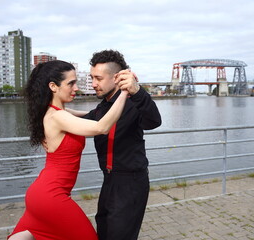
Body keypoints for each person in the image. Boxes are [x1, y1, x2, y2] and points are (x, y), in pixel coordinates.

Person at [8, 60, 129, 240]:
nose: (76, 88)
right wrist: (125, 92)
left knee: (25, 237)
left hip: (41, 194)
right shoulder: (58, 117)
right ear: (53, 86)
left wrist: (104, 106)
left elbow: (90, 116)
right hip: (52, 196)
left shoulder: (54, 111)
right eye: (71, 83)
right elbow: (101, 127)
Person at [83, 50, 162, 240]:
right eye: (92, 78)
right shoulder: (103, 106)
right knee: (103, 230)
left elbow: (154, 121)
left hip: (131, 182)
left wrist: (137, 91)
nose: (94, 84)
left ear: (116, 77)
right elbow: (87, 121)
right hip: (109, 180)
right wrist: (55, 111)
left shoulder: (134, 102)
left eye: (98, 78)